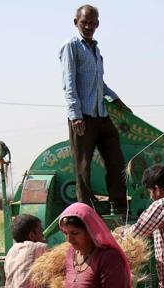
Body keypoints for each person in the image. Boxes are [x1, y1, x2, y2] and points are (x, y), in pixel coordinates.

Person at [59, 4, 131, 211]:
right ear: (76, 22)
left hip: (101, 114)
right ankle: (86, 209)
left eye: (92, 23)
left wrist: (116, 99)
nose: (88, 26)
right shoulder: (71, 46)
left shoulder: (96, 49)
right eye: (84, 22)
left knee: (117, 160)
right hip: (82, 117)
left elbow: (101, 84)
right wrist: (75, 116)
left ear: (97, 24)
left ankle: (118, 206)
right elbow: (69, 83)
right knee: (83, 167)